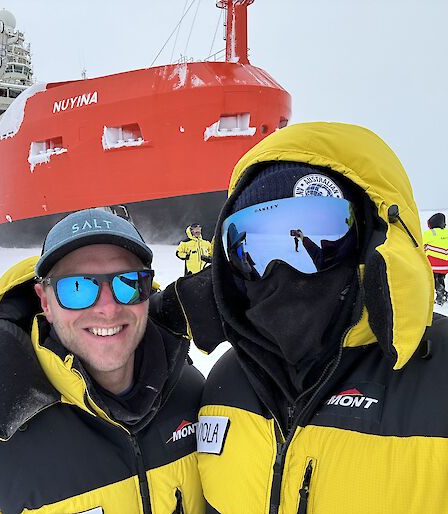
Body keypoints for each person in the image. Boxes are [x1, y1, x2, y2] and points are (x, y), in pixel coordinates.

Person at [151, 122, 448, 513]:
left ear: (369, 238)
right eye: (252, 246)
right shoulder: (226, 383)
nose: (280, 270)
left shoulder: (438, 380)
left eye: (313, 236)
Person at [0, 208, 205, 513]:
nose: (108, 309)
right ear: (45, 301)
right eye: (77, 288)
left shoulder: (194, 395)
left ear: (146, 291)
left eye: (127, 282)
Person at [423, 212, 448, 305]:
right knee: (440, 277)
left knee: (432, 278)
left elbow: (420, 244)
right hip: (446, 265)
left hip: (434, 264)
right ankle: (441, 295)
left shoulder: (429, 233)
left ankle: (441, 292)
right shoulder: (446, 232)